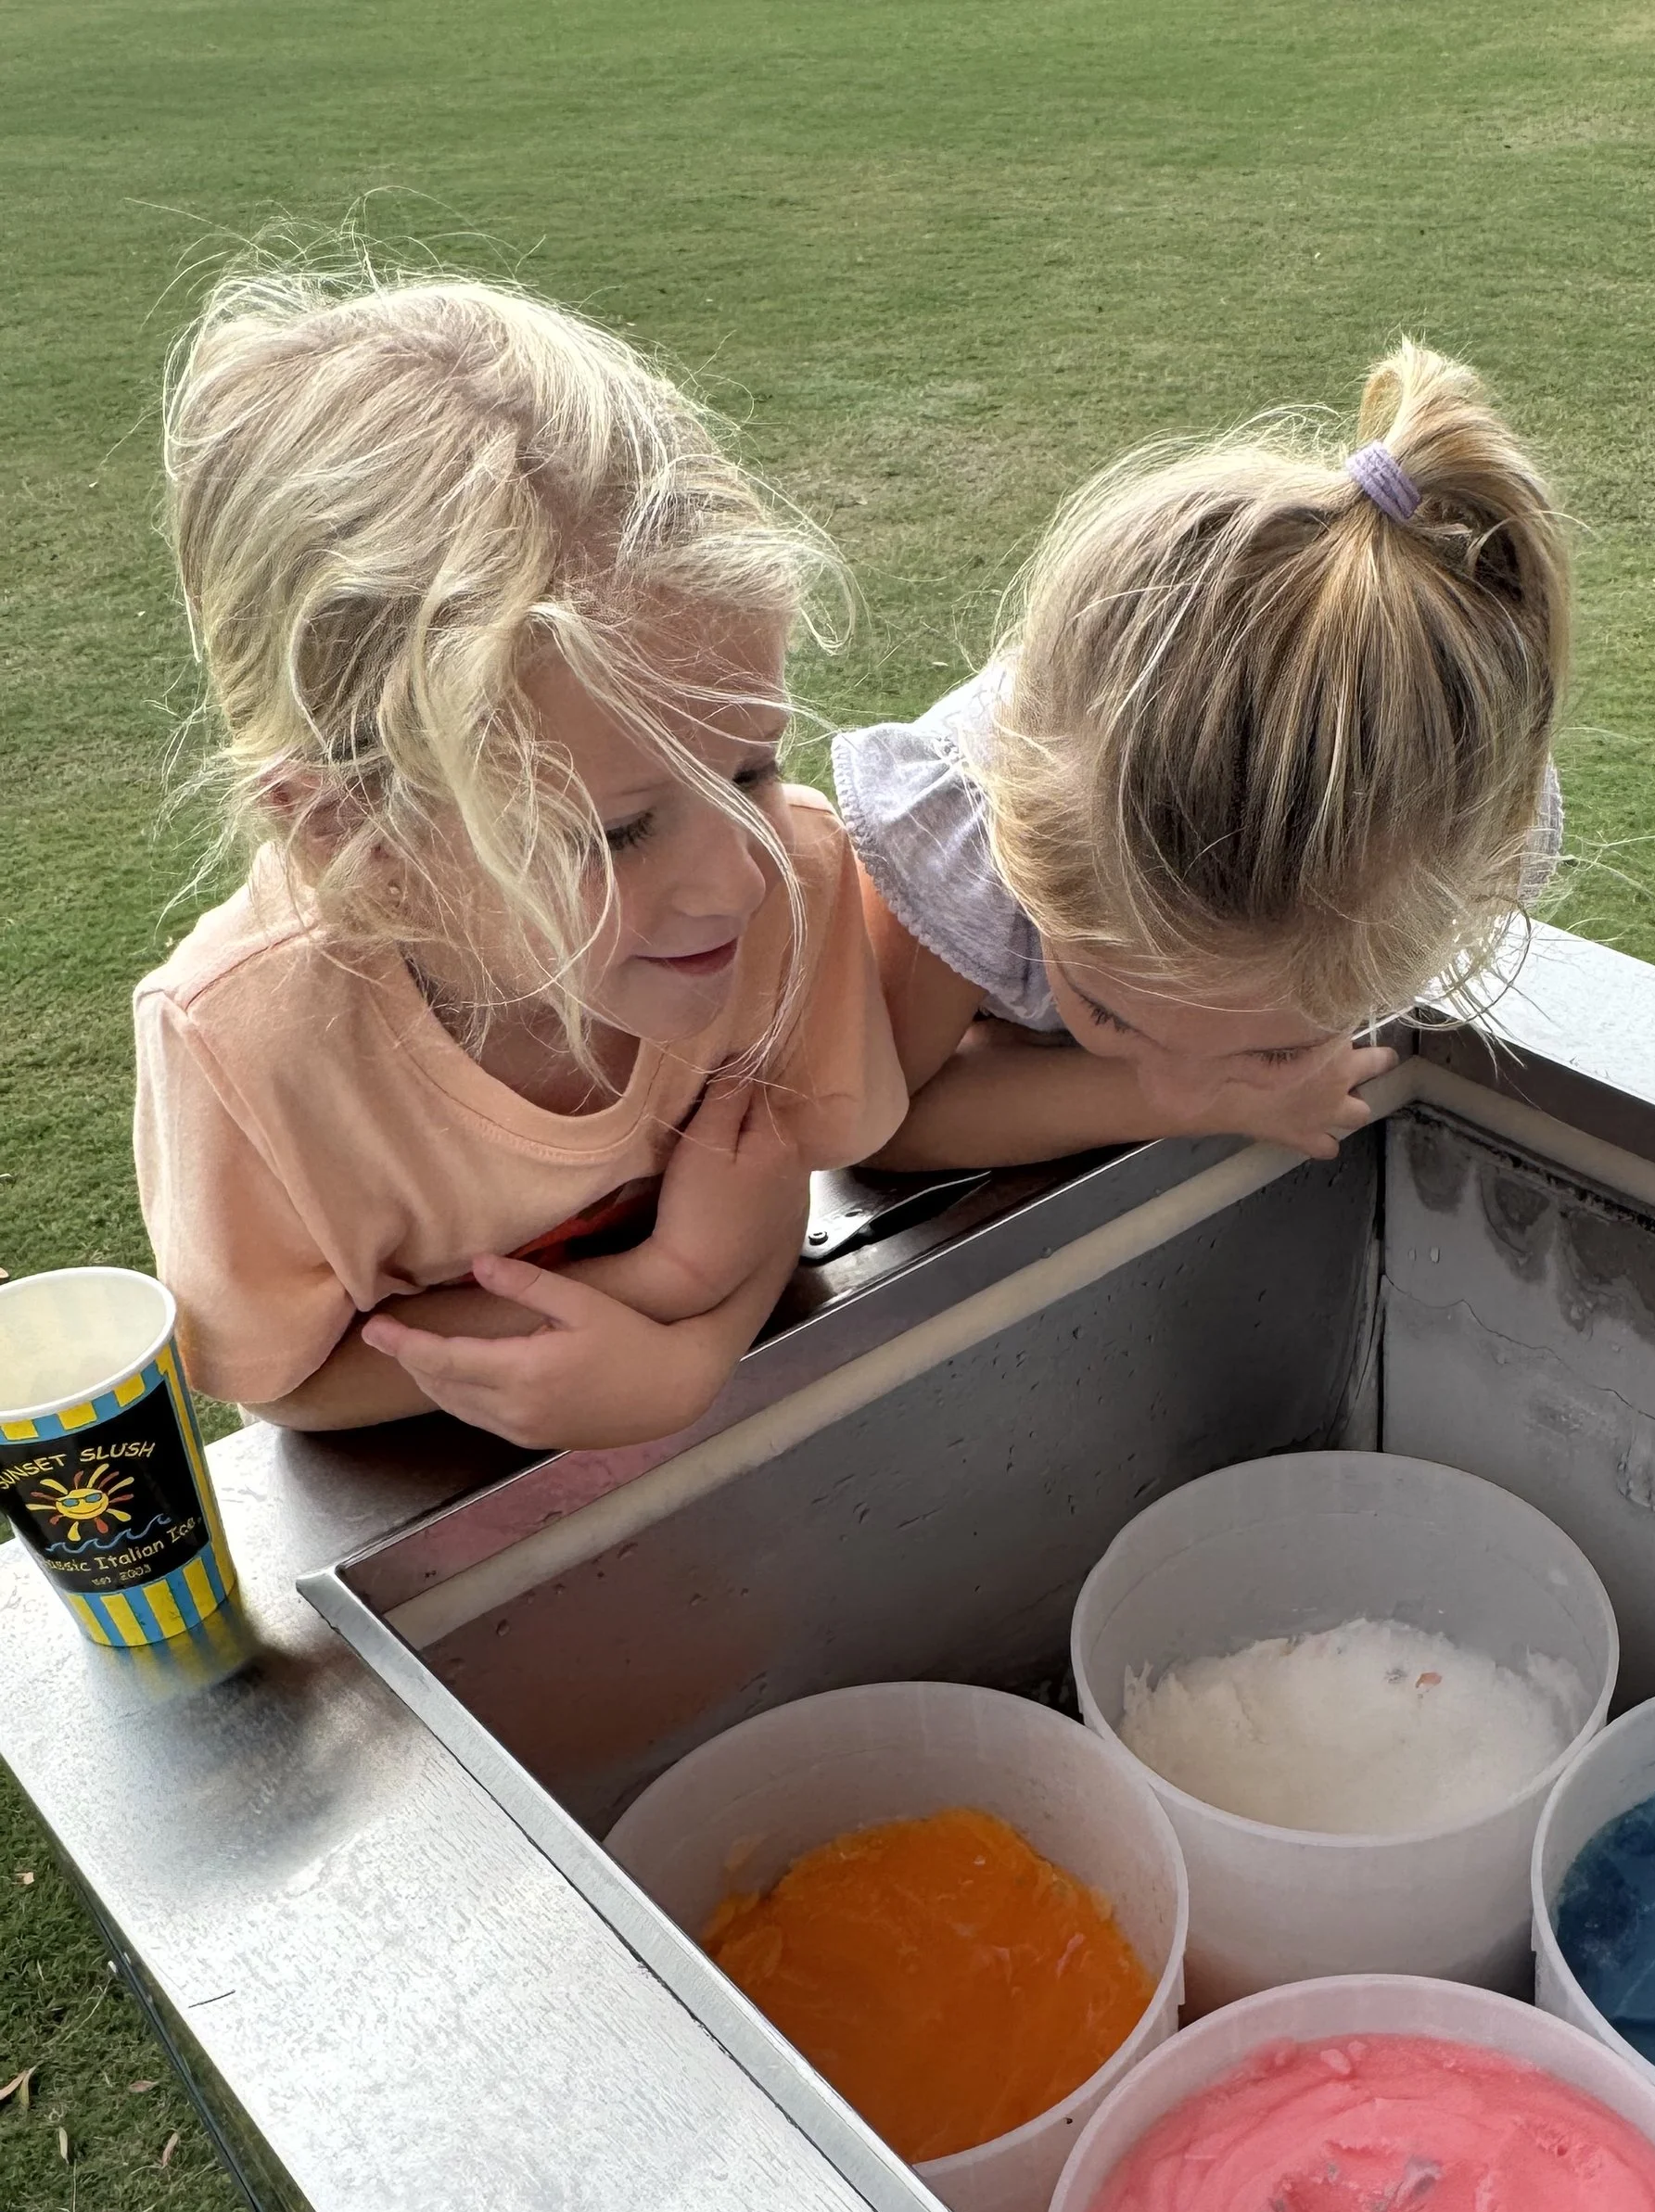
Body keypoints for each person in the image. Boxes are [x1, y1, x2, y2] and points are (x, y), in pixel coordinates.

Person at [135, 263, 904, 1449]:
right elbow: (288, 1379)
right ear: (348, 829)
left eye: (750, 765)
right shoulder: (249, 1047)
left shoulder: (793, 874)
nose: (739, 877)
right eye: (615, 832)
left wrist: (692, 1351)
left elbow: (775, 1162)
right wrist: (660, 1287)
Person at [834, 341, 1569, 1173]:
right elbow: (872, 1125)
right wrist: (1187, 1098)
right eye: (1111, 1015)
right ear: (1019, 842)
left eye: (1276, 1052)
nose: (1186, 1092)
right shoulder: (971, 822)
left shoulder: (1441, 838)